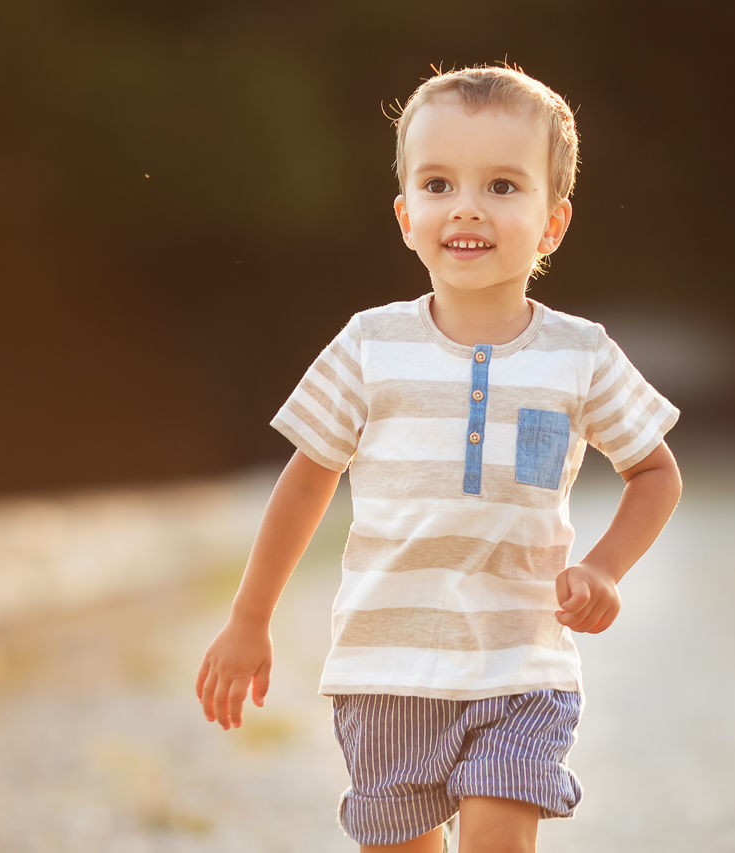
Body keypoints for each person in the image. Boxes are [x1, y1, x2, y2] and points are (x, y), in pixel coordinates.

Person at [196, 64, 682, 853]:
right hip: (386, 668)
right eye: (438, 183)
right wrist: (249, 618)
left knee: (498, 839)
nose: (466, 206)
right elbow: (307, 479)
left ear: (553, 222)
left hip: (521, 666)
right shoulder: (368, 345)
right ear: (405, 215)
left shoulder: (579, 354)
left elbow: (657, 473)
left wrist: (604, 568)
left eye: (500, 186)